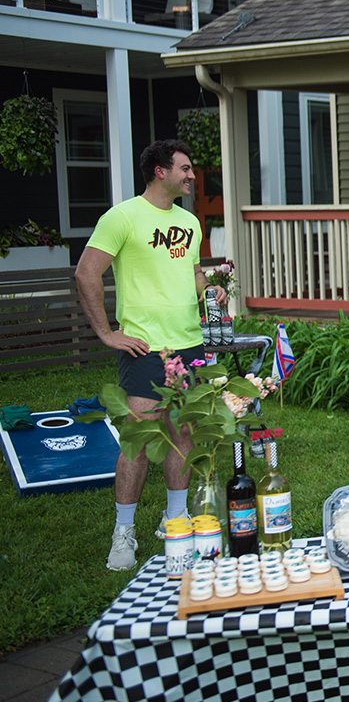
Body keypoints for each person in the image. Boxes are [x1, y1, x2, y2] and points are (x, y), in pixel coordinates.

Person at [75, 139, 227, 571]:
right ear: (160, 171)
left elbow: (192, 272)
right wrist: (108, 334)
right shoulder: (122, 216)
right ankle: (123, 533)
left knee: (182, 434)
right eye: (185, 168)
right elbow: (86, 272)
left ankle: (175, 520)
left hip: (189, 343)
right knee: (139, 440)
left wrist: (208, 288)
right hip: (144, 347)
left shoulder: (190, 222)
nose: (192, 175)